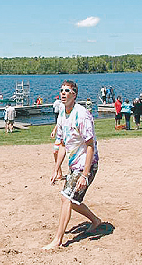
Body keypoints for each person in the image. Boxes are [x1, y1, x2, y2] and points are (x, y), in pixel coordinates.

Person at [43, 80, 102, 250]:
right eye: (61, 90)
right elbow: (61, 144)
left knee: (66, 197)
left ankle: (58, 240)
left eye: (67, 91)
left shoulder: (81, 115)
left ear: (74, 95)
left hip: (87, 164)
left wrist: (85, 174)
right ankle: (96, 221)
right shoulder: (62, 113)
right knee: (74, 201)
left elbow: (90, 145)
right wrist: (56, 169)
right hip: (74, 164)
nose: (63, 93)